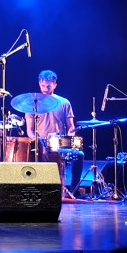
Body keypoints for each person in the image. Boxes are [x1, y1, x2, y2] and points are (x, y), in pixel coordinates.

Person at [24, 70, 84, 198]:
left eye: (49, 86)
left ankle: (74, 190)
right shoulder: (31, 104)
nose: (45, 89)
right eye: (43, 86)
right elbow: (29, 130)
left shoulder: (64, 103)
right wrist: (38, 140)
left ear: (55, 85)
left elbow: (71, 127)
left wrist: (70, 138)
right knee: (44, 153)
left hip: (59, 142)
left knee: (79, 154)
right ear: (40, 84)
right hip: (40, 142)